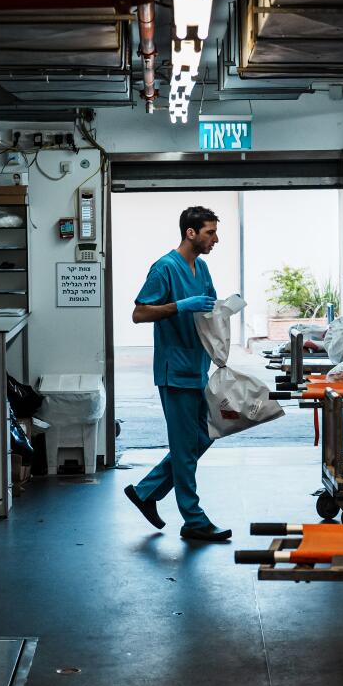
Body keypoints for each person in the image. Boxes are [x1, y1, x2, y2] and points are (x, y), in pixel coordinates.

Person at [124, 206, 231, 542]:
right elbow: (139, 313)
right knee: (185, 448)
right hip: (175, 370)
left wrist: (224, 309)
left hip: (198, 366)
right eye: (210, 232)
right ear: (191, 233)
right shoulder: (164, 268)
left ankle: (146, 491)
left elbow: (209, 309)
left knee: (206, 436)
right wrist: (179, 306)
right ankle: (194, 519)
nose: (216, 239)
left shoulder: (201, 268)